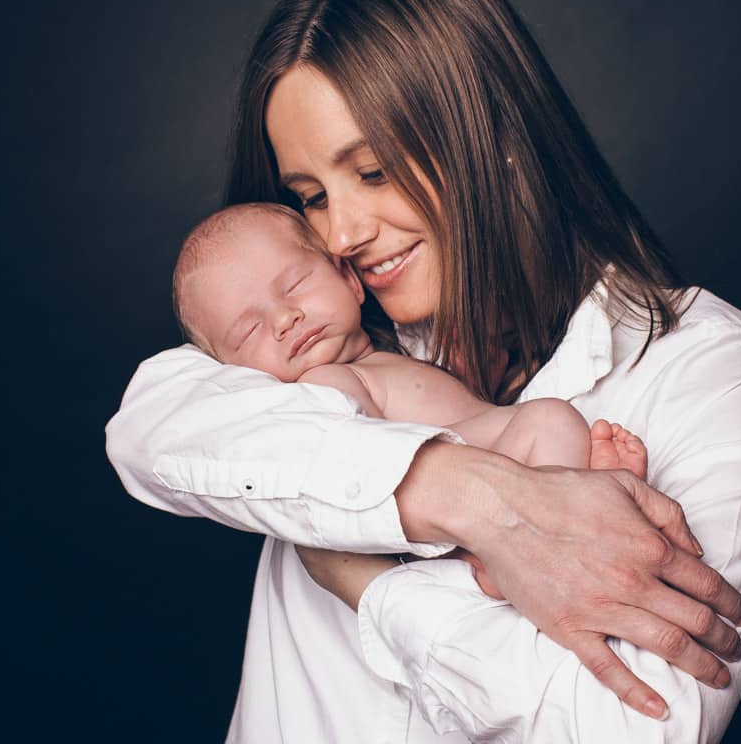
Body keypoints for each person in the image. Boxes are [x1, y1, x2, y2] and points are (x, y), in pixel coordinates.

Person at [105, 0, 741, 741]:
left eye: (371, 172)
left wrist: (371, 588)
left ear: (496, 136)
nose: (339, 236)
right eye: (309, 196)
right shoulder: (320, 343)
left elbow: (636, 727)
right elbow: (147, 429)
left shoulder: (706, 370)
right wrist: (465, 496)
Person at [172, 201, 647, 592]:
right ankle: (526, 539)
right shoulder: (324, 386)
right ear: (234, 374)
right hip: (466, 499)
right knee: (552, 420)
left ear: (350, 280)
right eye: (250, 329)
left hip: (490, 462)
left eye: (295, 285)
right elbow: (359, 458)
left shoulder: (388, 352)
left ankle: (580, 499)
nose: (284, 319)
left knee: (549, 422)